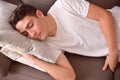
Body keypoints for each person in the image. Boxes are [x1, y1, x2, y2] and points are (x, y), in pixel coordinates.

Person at [9, 0, 120, 80]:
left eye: (30, 25)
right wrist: (33, 59)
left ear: (39, 14)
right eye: (25, 33)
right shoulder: (48, 44)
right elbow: (69, 76)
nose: (32, 34)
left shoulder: (64, 4)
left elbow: (105, 16)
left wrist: (113, 52)